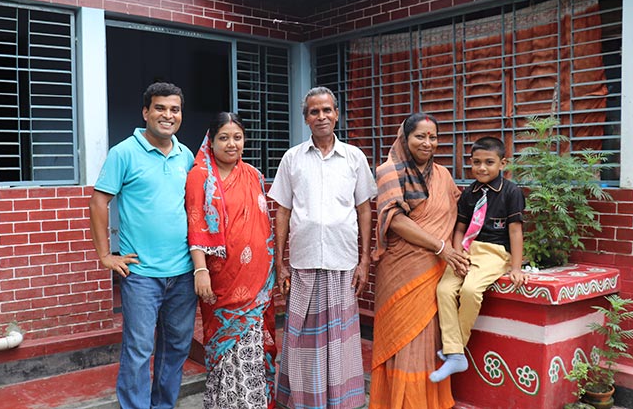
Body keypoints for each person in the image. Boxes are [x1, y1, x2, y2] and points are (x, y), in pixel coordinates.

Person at [88, 82, 197, 409]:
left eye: (174, 109)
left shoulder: (185, 155)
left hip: (183, 273)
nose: (168, 115)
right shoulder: (124, 152)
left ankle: (162, 405)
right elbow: (98, 202)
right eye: (160, 108)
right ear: (146, 112)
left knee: (176, 347)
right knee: (138, 350)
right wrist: (105, 255)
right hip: (141, 274)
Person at [270, 87, 377, 409]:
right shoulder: (292, 158)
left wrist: (364, 261)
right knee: (303, 336)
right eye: (314, 112)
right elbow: (283, 210)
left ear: (337, 114)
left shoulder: (354, 157)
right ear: (305, 118)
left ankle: (340, 401)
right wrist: (280, 262)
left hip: (343, 261)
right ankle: (305, 400)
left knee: (340, 339)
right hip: (303, 262)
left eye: (327, 110)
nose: (321, 117)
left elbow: (365, 209)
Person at [369, 113, 470, 409]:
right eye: (420, 136)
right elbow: (396, 221)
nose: (427, 143)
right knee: (401, 336)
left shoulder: (443, 175)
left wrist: (455, 252)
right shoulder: (389, 171)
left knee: (428, 339)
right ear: (405, 137)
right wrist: (442, 249)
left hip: (436, 269)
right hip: (401, 268)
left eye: (433, 137)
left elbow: (455, 219)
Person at [184, 112, 277, 409]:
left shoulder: (253, 175)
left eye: (237, 137)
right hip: (220, 280)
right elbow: (195, 222)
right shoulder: (199, 175)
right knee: (225, 347)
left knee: (253, 346)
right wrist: (201, 269)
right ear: (211, 142)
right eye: (224, 138)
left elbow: (263, 226)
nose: (231, 144)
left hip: (256, 280)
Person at [430, 136, 527, 382]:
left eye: (489, 162)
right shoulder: (468, 193)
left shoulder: (511, 192)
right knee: (444, 290)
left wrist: (516, 267)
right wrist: (456, 254)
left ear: (503, 163)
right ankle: (456, 355)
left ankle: (454, 350)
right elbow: (460, 229)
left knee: (471, 290)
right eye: (476, 162)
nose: (481, 168)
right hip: (467, 249)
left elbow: (515, 230)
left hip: (495, 252)